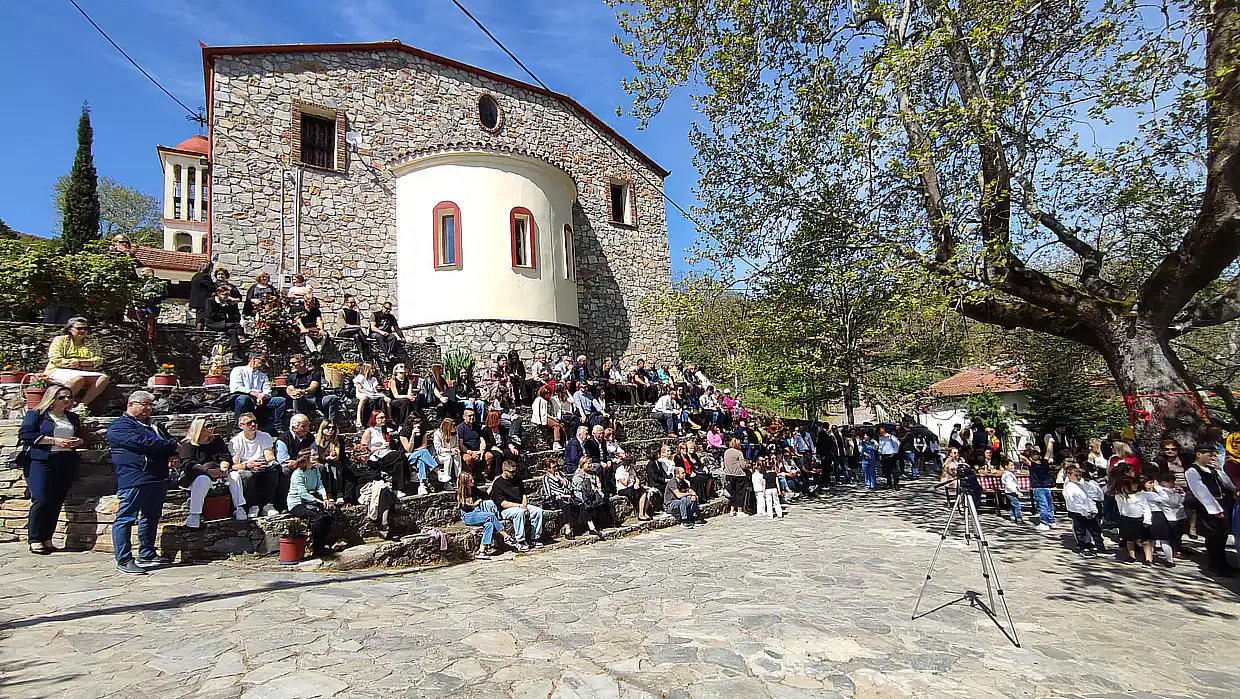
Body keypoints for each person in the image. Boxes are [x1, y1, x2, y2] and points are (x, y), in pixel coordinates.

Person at [106, 391, 181, 574]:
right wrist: (170, 445)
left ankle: (147, 552)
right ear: (131, 404)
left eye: (150, 405)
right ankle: (124, 560)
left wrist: (172, 452)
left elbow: (169, 442)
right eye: (144, 404)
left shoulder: (153, 425)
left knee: (151, 516)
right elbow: (143, 443)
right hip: (135, 477)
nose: (148, 409)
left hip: (157, 476)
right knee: (126, 518)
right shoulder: (120, 426)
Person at [19, 383, 87, 554]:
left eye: (69, 397)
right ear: (52, 398)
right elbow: (26, 435)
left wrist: (77, 441)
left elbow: (80, 436)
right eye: (62, 397)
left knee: (56, 501)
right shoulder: (37, 415)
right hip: (41, 460)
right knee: (41, 499)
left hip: (65, 460)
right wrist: (53, 441)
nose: (66, 400)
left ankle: (47, 538)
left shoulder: (72, 418)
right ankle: (35, 538)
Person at [178, 417, 244, 528]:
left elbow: (225, 457)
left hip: (218, 471)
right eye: (208, 426)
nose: (212, 428)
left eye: (212, 425)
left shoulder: (217, 440)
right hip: (196, 475)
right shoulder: (188, 444)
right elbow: (188, 465)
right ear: (199, 428)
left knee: (235, 476)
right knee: (203, 480)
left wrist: (224, 467)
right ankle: (195, 514)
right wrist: (208, 471)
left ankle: (239, 508)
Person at [1185, 445, 1236, 575]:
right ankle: (1215, 565)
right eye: (1210, 455)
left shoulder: (1212, 470)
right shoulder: (1192, 470)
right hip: (1209, 507)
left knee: (1222, 535)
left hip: (1222, 503)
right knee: (1214, 536)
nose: (1212, 458)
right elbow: (1201, 491)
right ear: (1199, 454)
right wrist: (1216, 510)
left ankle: (1223, 563)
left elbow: (1229, 485)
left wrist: (1219, 471)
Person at [44, 317, 111, 407]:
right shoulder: (60, 340)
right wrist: (84, 364)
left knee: (103, 378)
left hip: (83, 370)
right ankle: (56, 405)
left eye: (85, 329)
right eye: (79, 328)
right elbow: (55, 359)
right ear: (70, 329)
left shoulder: (91, 341)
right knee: (78, 379)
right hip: (58, 369)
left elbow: (98, 359)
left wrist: (80, 363)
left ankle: (82, 406)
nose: (83, 331)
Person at [287, 447, 337, 558]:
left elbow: (319, 485)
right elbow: (303, 494)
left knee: (329, 515)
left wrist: (325, 499)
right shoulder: (298, 474)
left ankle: (323, 543)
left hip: (312, 500)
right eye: (313, 455)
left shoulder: (314, 470)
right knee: (318, 517)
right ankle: (316, 547)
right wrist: (319, 502)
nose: (316, 456)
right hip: (298, 503)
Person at [227, 412, 279, 517]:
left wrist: (266, 462)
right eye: (249, 423)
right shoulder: (236, 441)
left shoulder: (264, 436)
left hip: (261, 465)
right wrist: (248, 465)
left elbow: (269, 455)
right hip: (246, 468)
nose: (253, 425)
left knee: (275, 469)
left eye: (255, 422)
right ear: (241, 426)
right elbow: (235, 465)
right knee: (247, 476)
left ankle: (267, 505)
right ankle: (253, 506)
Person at [491, 460, 544, 551]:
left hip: (520, 504)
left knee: (538, 511)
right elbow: (503, 503)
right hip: (506, 509)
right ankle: (520, 541)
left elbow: (523, 493)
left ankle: (535, 538)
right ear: (504, 470)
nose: (513, 473)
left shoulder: (517, 479)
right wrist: (519, 506)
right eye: (511, 472)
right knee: (519, 513)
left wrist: (524, 504)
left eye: (514, 471)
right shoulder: (498, 484)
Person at [229, 353, 286, 434]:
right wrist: (255, 394)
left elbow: (267, 390)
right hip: (243, 397)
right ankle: (238, 428)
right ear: (253, 359)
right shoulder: (238, 370)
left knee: (280, 401)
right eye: (262, 360)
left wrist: (262, 395)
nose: (263, 364)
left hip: (260, 399)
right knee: (244, 399)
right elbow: (237, 387)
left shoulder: (263, 376)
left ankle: (277, 427)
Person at [361, 411, 409, 496]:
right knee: (400, 454)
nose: (384, 420)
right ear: (374, 419)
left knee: (399, 464)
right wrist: (379, 448)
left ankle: (397, 489)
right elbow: (363, 448)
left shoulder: (384, 430)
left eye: (384, 417)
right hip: (376, 457)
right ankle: (409, 474)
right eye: (381, 418)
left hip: (387, 454)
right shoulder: (369, 431)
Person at [458, 471, 504, 559]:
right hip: (468, 516)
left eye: (472, 480)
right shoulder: (461, 493)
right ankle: (505, 535)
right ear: (465, 483)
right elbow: (466, 509)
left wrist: (492, 483)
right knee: (490, 516)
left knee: (489, 525)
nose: (473, 482)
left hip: (477, 513)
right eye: (470, 481)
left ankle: (481, 550)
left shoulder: (473, 489)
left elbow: (484, 495)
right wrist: (475, 504)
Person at [1063, 466, 1108, 556]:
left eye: (1080, 475)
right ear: (1069, 475)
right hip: (1078, 512)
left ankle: (1101, 548)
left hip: (1088, 511)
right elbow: (1075, 502)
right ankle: (1084, 548)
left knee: (1096, 530)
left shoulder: (1083, 484)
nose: (1079, 477)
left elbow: (1089, 498)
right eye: (1076, 475)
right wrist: (1084, 512)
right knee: (1080, 531)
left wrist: (1093, 510)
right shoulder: (1069, 487)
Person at [277, 413, 319, 506]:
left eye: (308, 426)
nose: (306, 429)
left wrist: (297, 462)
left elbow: (314, 454)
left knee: (321, 467)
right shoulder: (283, 439)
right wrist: (299, 462)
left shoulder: (310, 437)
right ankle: (285, 502)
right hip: (291, 466)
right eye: (303, 426)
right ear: (293, 427)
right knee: (285, 471)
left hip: (306, 464)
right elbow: (284, 461)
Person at [286, 354, 339, 423]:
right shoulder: (291, 377)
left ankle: (331, 423)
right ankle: (300, 422)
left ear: (301, 363)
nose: (291, 365)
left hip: (316, 400)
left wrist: (303, 391)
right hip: (303, 400)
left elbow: (313, 387)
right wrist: (293, 393)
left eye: (293, 363)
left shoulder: (315, 374)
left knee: (332, 398)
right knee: (296, 400)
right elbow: (290, 388)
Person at [314, 421, 357, 505]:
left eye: (333, 428)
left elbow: (338, 455)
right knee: (326, 466)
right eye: (328, 428)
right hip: (321, 462)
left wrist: (333, 457)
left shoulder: (338, 440)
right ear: (322, 429)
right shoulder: (317, 441)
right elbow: (318, 457)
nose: (331, 430)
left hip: (335, 462)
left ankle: (339, 493)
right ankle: (329, 493)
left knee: (335, 465)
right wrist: (327, 458)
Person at [1114, 473, 1153, 564]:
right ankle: (1131, 556)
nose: (1135, 486)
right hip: (1127, 519)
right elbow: (1120, 507)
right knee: (1129, 539)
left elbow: (1146, 508)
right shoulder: (1120, 496)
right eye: (1133, 485)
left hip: (1139, 520)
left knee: (1144, 540)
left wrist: (1147, 520)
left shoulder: (1140, 495)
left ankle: (1148, 558)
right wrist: (1122, 517)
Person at [205, 284, 245, 357]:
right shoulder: (210, 301)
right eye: (224, 294)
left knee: (232, 331)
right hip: (213, 323)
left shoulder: (226, 303)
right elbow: (210, 314)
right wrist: (223, 317)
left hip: (223, 323)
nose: (226, 297)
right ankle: (241, 336)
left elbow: (232, 314)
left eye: (227, 295)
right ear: (218, 293)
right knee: (235, 325)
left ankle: (235, 353)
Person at [541, 458, 576, 539]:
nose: (556, 468)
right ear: (548, 469)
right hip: (556, 499)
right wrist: (561, 495)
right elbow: (548, 494)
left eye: (557, 466)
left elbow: (570, 487)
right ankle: (568, 530)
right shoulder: (546, 478)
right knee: (566, 505)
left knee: (578, 502)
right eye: (554, 467)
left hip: (566, 496)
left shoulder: (561, 475)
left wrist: (562, 480)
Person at [456, 408, 494, 480]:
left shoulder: (477, 426)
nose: (472, 417)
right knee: (467, 459)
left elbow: (482, 440)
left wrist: (481, 452)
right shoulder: (460, 428)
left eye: (473, 415)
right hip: (466, 451)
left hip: (478, 450)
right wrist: (471, 452)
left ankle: (483, 476)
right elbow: (460, 444)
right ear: (464, 417)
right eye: (470, 416)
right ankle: (469, 478)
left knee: (489, 456)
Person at [1026, 448, 1056, 531]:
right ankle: (1052, 521)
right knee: (1049, 505)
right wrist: (1050, 443)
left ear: (1031, 458)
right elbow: (1048, 452)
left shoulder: (1032, 465)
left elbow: (1024, 459)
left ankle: (1044, 523)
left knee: (1042, 505)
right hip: (1046, 487)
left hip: (1038, 487)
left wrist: (1019, 454)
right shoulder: (1045, 463)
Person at [719, 437, 750, 517]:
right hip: (739, 475)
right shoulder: (739, 453)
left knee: (732, 493)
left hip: (729, 474)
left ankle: (732, 510)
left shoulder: (726, 452)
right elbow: (743, 465)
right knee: (740, 493)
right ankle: (740, 510)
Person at [615, 455, 653, 521]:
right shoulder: (620, 470)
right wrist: (627, 474)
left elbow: (636, 478)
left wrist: (637, 483)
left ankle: (645, 512)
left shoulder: (632, 469)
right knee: (643, 494)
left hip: (632, 487)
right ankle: (641, 514)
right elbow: (625, 483)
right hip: (623, 489)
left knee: (648, 493)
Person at [336, 294, 372, 360]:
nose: (353, 304)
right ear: (346, 303)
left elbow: (358, 324)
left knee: (357, 336)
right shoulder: (341, 312)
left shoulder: (356, 313)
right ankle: (366, 344)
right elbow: (344, 325)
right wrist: (355, 327)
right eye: (351, 302)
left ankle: (362, 354)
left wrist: (356, 326)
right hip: (342, 332)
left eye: (354, 303)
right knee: (358, 329)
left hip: (354, 332)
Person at [352, 362, 387, 428]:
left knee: (383, 399)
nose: (373, 370)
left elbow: (375, 388)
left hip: (372, 393)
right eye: (372, 369)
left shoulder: (373, 379)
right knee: (364, 399)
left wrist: (378, 388)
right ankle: (359, 419)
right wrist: (368, 391)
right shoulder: (360, 378)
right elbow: (360, 389)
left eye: (374, 369)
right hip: (363, 393)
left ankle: (386, 419)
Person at [370, 300, 405, 365]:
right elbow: (373, 327)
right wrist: (381, 332)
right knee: (379, 336)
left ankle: (388, 354)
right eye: (387, 308)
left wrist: (402, 337)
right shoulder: (375, 314)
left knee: (393, 337)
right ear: (382, 307)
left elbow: (396, 328)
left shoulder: (391, 317)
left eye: (390, 309)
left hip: (386, 333)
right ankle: (388, 354)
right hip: (375, 333)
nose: (388, 310)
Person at [531, 384, 566, 450]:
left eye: (549, 392)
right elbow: (539, 411)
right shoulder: (539, 400)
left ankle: (564, 442)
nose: (548, 394)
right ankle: (556, 443)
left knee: (561, 425)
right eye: (546, 393)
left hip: (549, 417)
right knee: (556, 425)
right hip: (543, 418)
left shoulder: (550, 401)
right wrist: (540, 421)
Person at [432, 418, 463, 488]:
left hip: (451, 452)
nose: (455, 427)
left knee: (457, 456)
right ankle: (447, 481)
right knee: (448, 458)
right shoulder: (437, 434)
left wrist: (456, 450)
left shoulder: (456, 433)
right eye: (453, 426)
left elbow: (456, 445)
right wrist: (450, 450)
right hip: (440, 456)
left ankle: (459, 478)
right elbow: (438, 449)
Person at [406, 431, 439, 496]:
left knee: (421, 461)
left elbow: (424, 446)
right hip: (407, 456)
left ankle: (422, 485)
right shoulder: (403, 434)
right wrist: (413, 434)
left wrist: (418, 451)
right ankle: (437, 471)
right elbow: (408, 449)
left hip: (419, 455)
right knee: (424, 452)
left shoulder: (423, 432)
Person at [297, 292, 329, 356]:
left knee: (324, 334)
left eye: (313, 300)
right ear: (306, 301)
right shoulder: (299, 309)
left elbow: (319, 320)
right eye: (311, 301)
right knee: (306, 335)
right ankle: (314, 352)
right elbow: (298, 320)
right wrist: (303, 328)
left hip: (313, 328)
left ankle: (318, 351)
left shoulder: (316, 310)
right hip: (304, 328)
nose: (313, 302)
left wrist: (321, 329)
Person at [387, 363, 417, 428]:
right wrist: (407, 396)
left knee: (412, 402)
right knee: (406, 401)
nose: (403, 368)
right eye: (401, 366)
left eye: (404, 366)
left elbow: (409, 393)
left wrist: (409, 397)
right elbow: (396, 395)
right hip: (395, 400)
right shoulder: (393, 381)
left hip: (405, 400)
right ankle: (402, 424)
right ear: (396, 370)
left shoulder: (409, 381)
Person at [188, 260, 215, 330]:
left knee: (199, 317)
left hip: (195, 301)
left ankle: (198, 331)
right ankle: (199, 333)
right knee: (201, 318)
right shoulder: (205, 277)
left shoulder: (196, 276)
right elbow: (212, 287)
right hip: (202, 301)